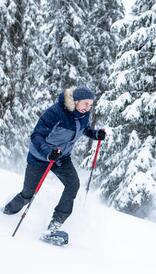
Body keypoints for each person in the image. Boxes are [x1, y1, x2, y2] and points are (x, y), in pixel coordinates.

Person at [3, 86, 106, 234]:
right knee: (27, 195)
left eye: (91, 104)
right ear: (75, 101)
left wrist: (95, 134)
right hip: (40, 157)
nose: (88, 107)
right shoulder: (56, 112)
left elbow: (83, 129)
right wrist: (48, 153)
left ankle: (55, 225)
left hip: (62, 158)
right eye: (85, 103)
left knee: (73, 185)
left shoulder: (84, 115)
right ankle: (6, 212)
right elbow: (36, 135)